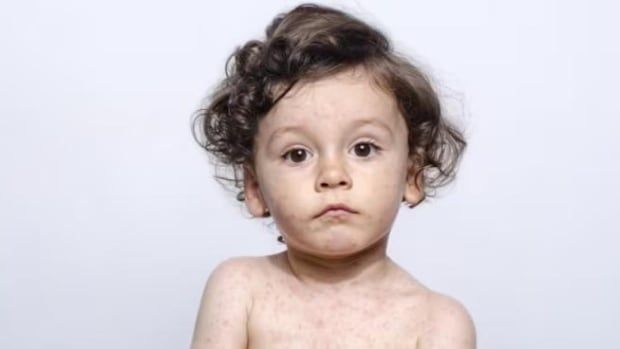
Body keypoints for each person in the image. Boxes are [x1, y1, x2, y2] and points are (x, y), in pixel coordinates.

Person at [190, 3, 475, 348]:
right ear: (255, 188)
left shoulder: (437, 324)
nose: (332, 175)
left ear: (412, 174)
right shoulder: (240, 291)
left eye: (363, 149)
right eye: (297, 154)